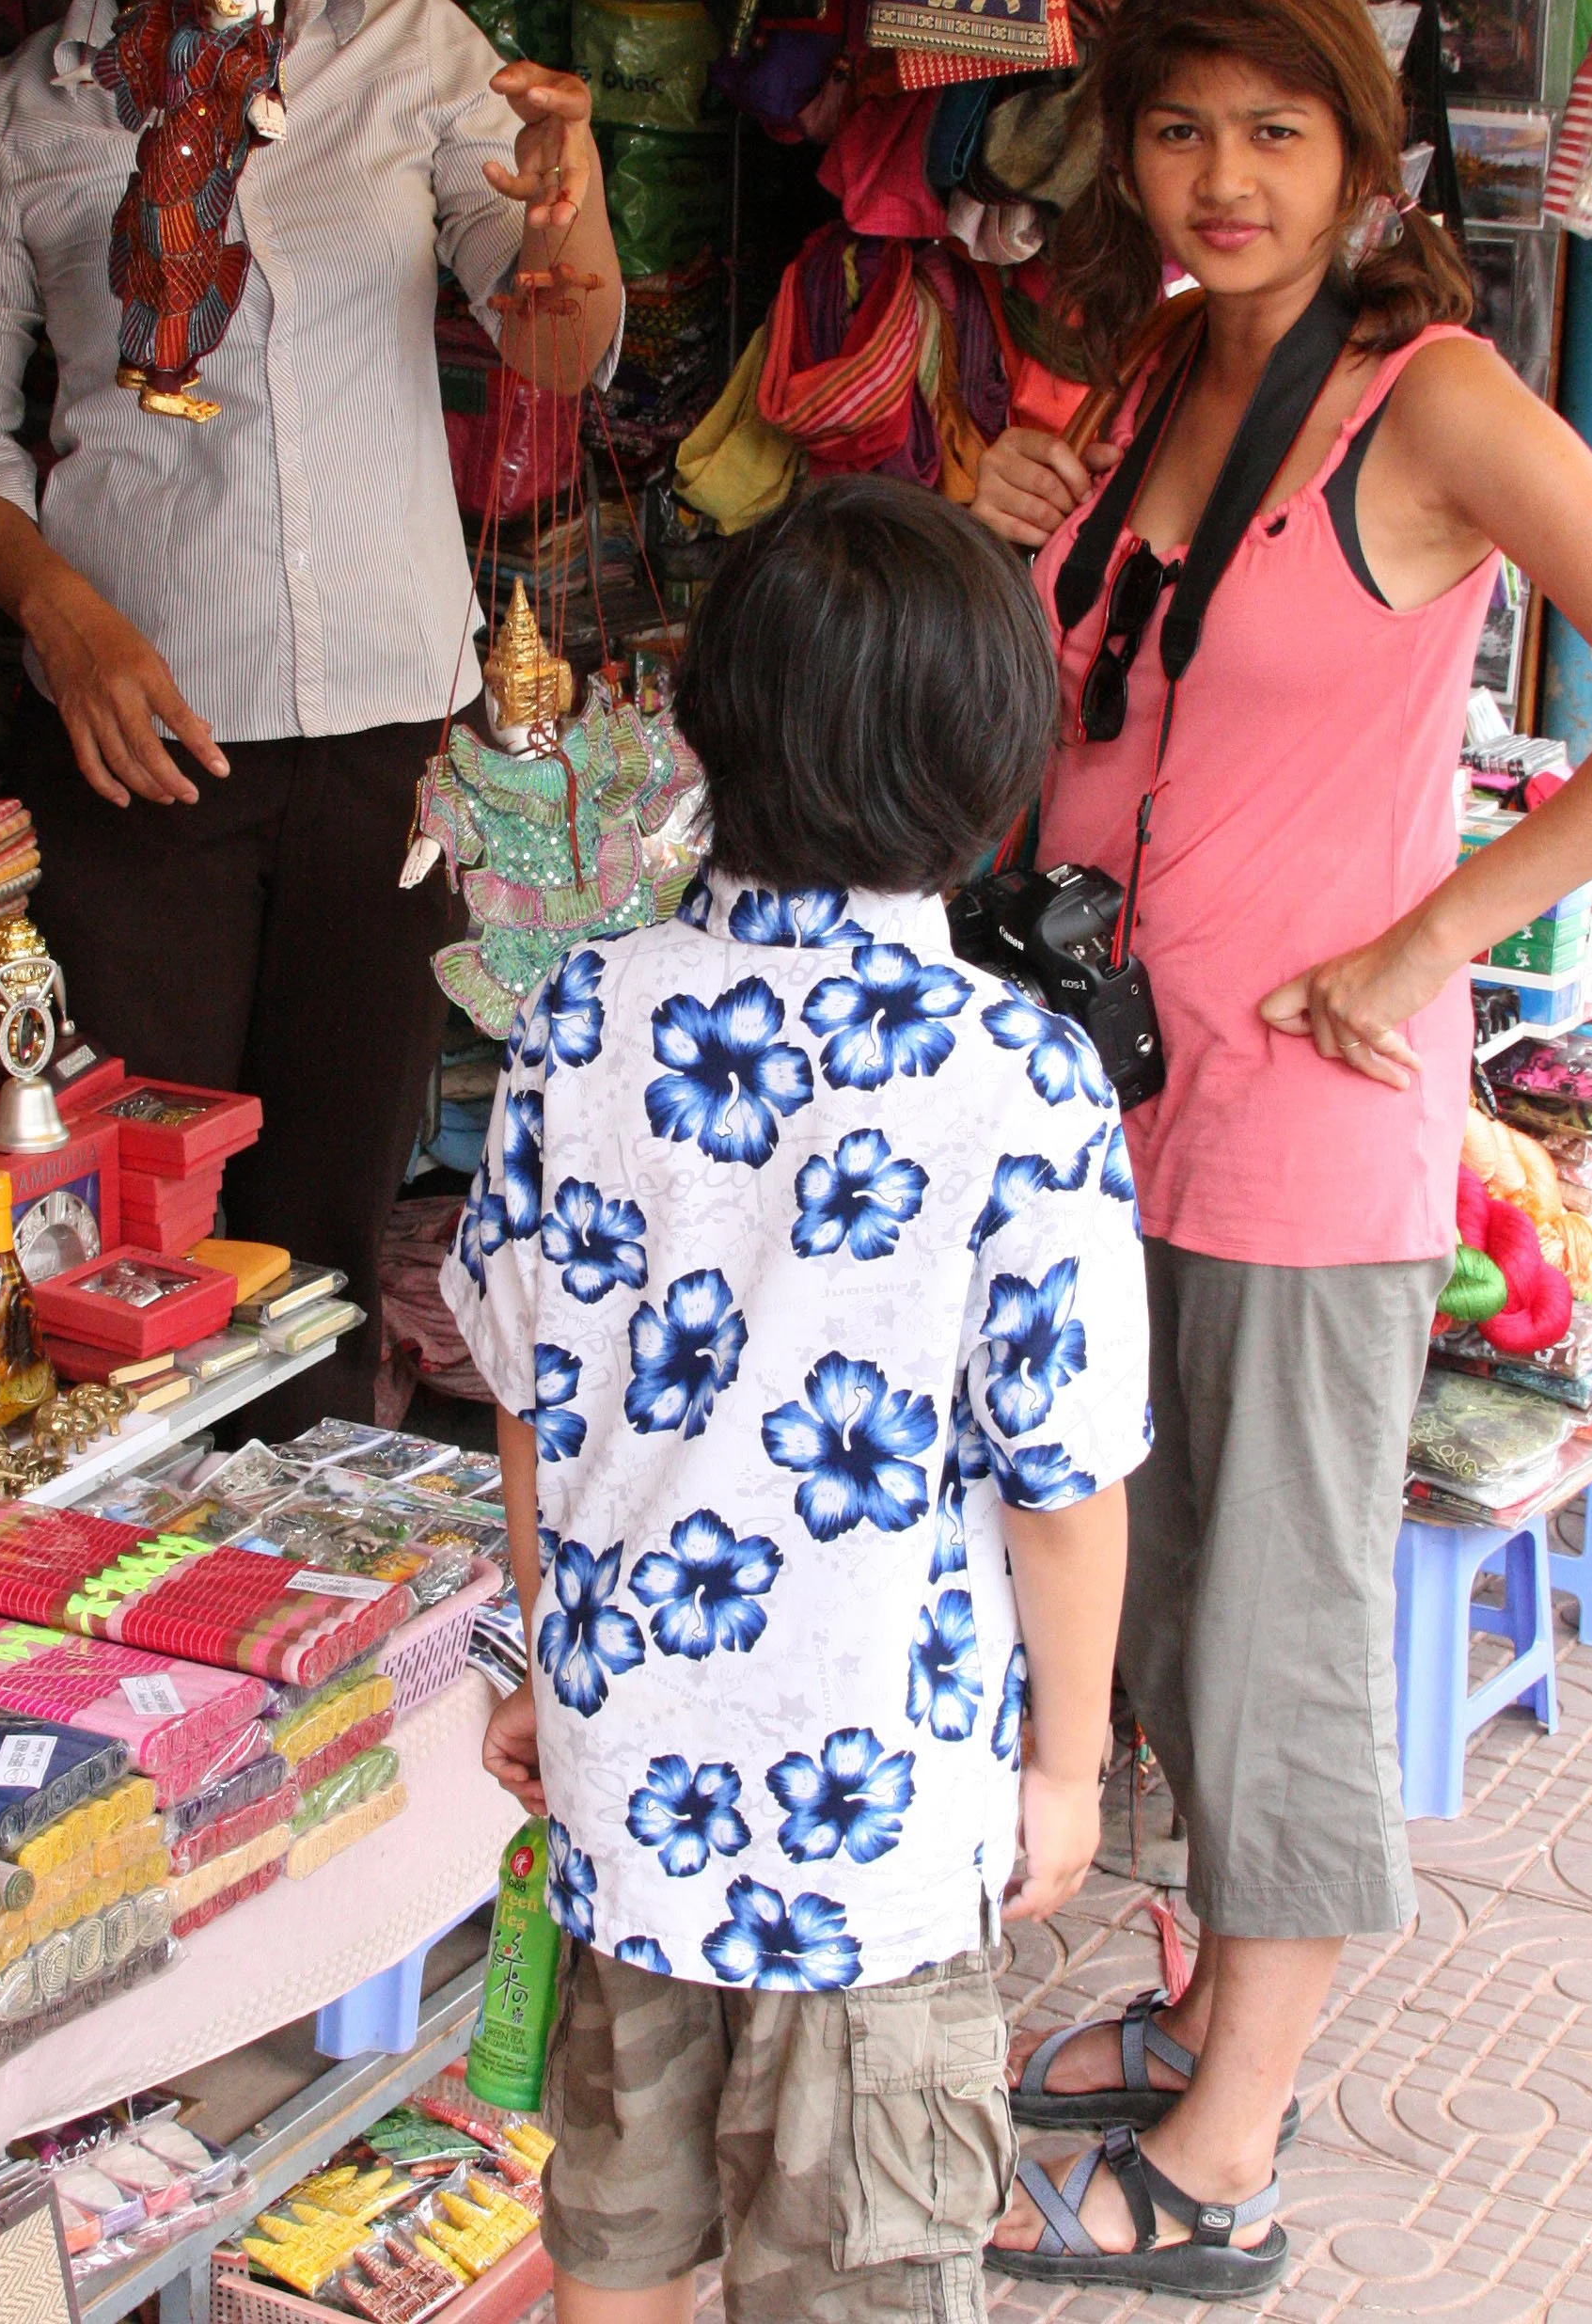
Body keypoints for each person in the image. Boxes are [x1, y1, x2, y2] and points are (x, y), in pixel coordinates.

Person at [969, 0, 1592, 2297]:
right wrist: (1013, 507)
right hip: (1114, 1097)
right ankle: (1212, 2001)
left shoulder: (1424, 400)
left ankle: (1225, 2159)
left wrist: (1440, 934)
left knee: (1276, 1634)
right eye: (1175, 129)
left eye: (1274, 133)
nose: (1219, 180)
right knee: (1190, 1588)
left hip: (1308, 1109)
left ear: (1359, 153)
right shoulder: (1152, 372)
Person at [440, 477, 1152, 2324]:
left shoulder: (583, 1014)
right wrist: (1063, 1768)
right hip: (887, 1808)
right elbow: (1065, 1486)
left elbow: (527, 1388)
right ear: (996, 750)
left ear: (706, 727)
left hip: (629, 1766)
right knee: (859, 2273)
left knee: (618, 2243)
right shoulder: (1018, 1077)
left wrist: (542, 1648)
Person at [0, 0, 623, 1425]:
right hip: (141, 748)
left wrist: (569, 197)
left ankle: (311, 1629)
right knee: (131, 1223)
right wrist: (63, 617)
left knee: (325, 1226)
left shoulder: (411, 52)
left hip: (391, 737)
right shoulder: (11, 124)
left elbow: (553, 344)